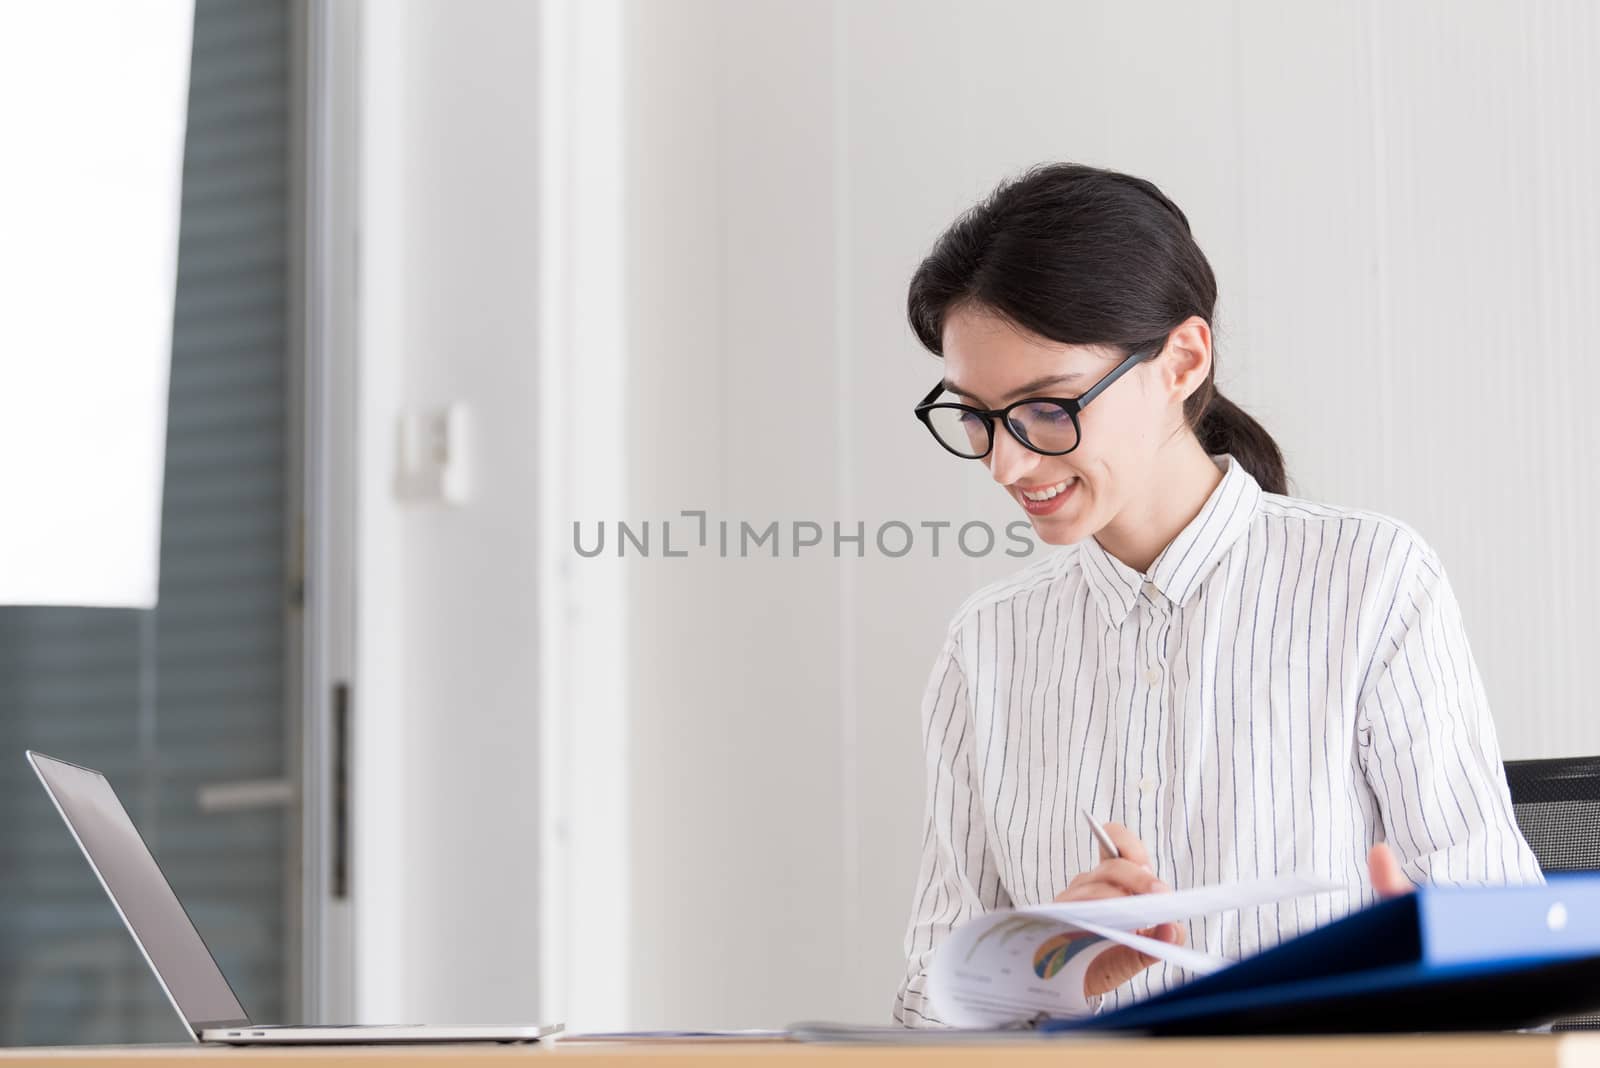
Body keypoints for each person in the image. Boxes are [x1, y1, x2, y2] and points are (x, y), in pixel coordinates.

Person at [891, 162, 1543, 1027]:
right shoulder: (988, 645)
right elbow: (923, 1017)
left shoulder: (1371, 582)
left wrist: (1408, 961)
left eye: (1046, 408)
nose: (1007, 463)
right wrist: (1046, 969)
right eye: (974, 414)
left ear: (1181, 361)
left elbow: (1515, 964)